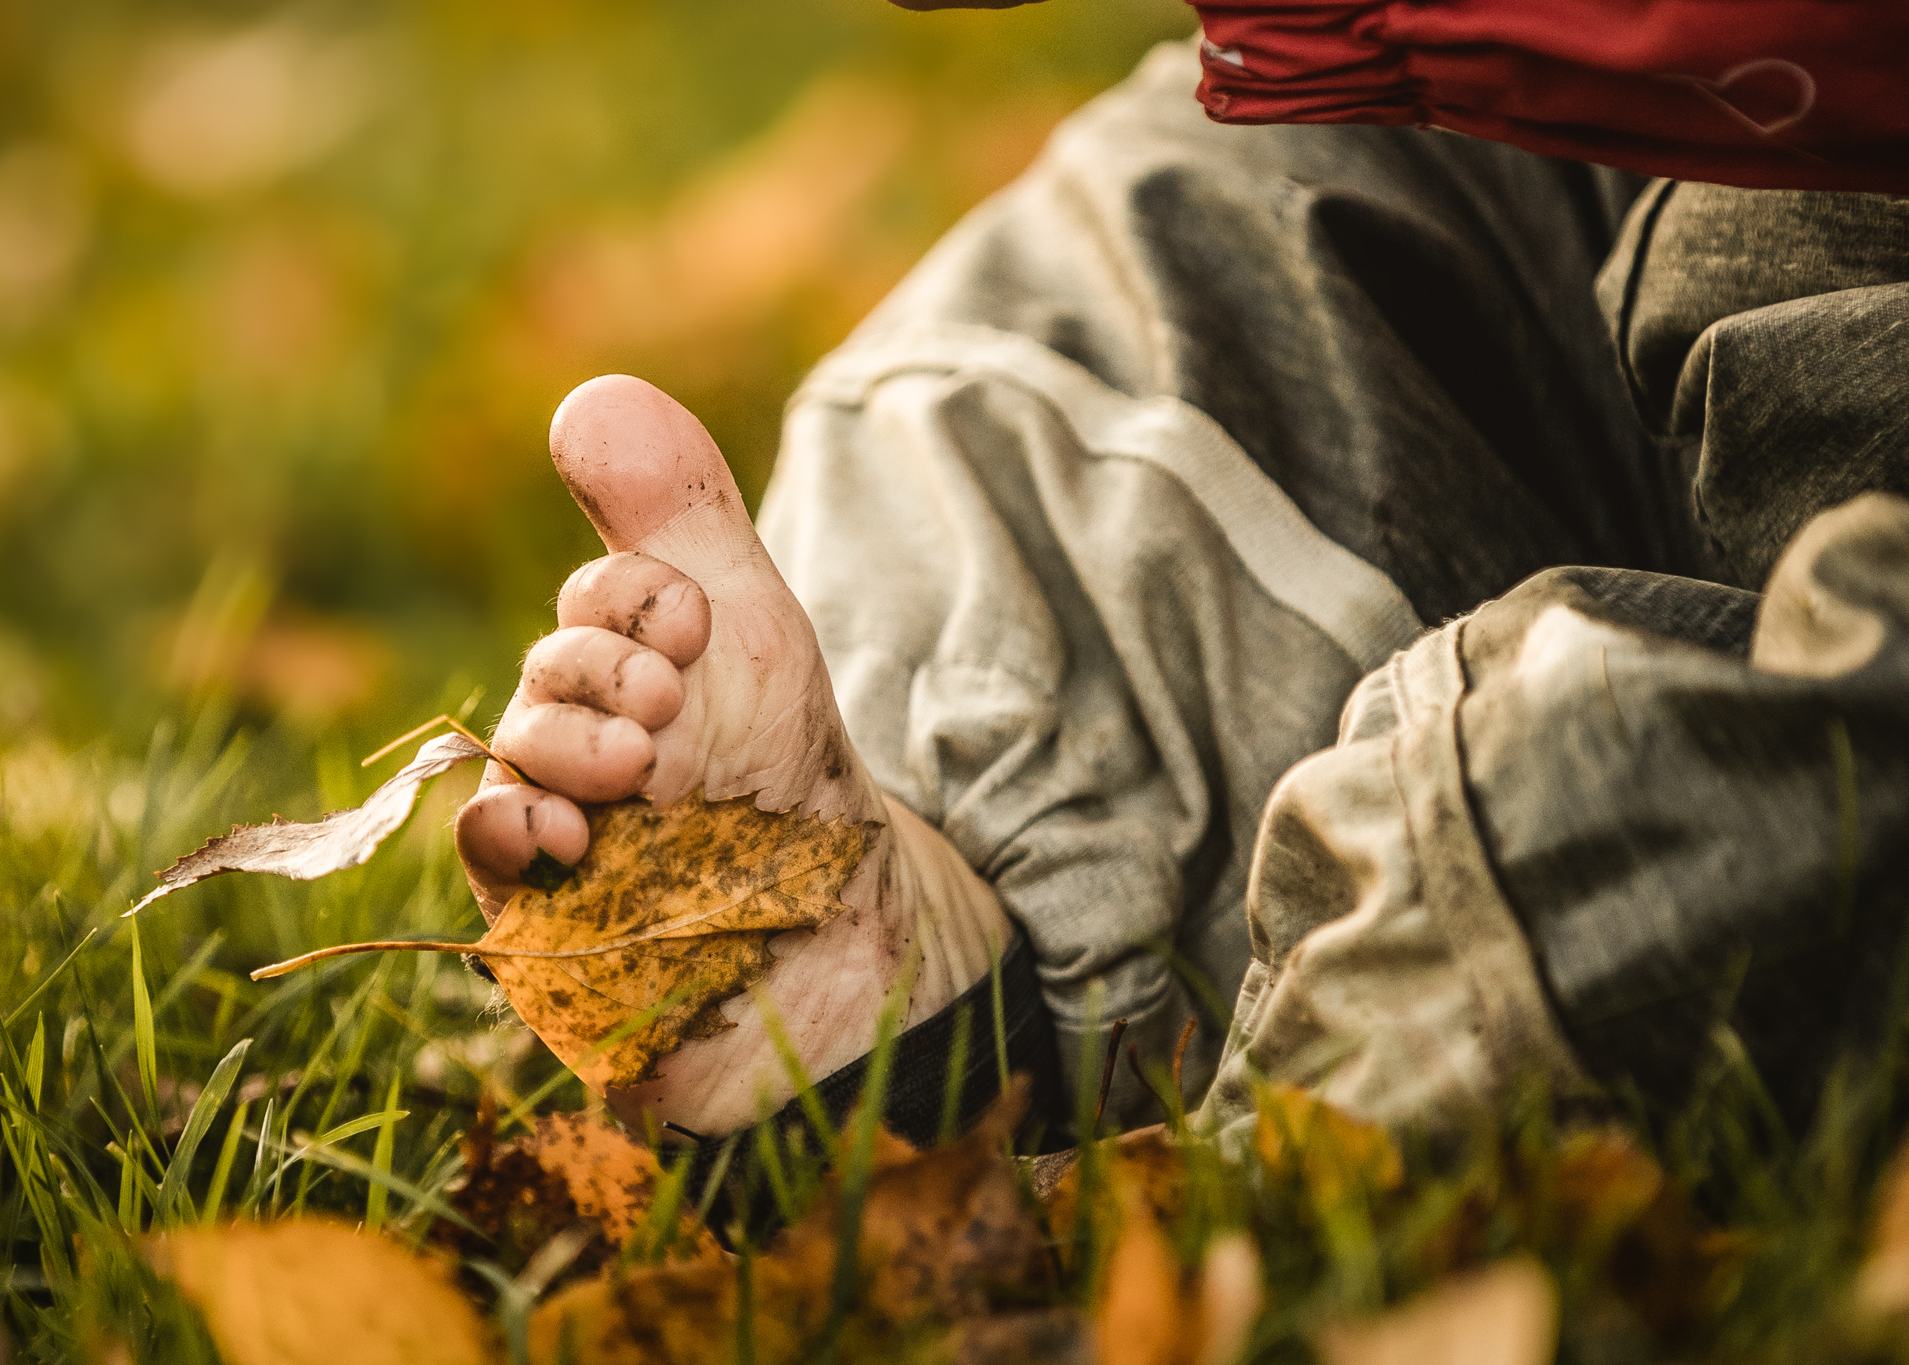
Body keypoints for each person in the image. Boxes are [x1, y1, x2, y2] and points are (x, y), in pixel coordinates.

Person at [453, 1, 1909, 1156]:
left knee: (1675, 801)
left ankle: (1400, 974)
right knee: (1125, 306)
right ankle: (922, 939)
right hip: (1634, 99)